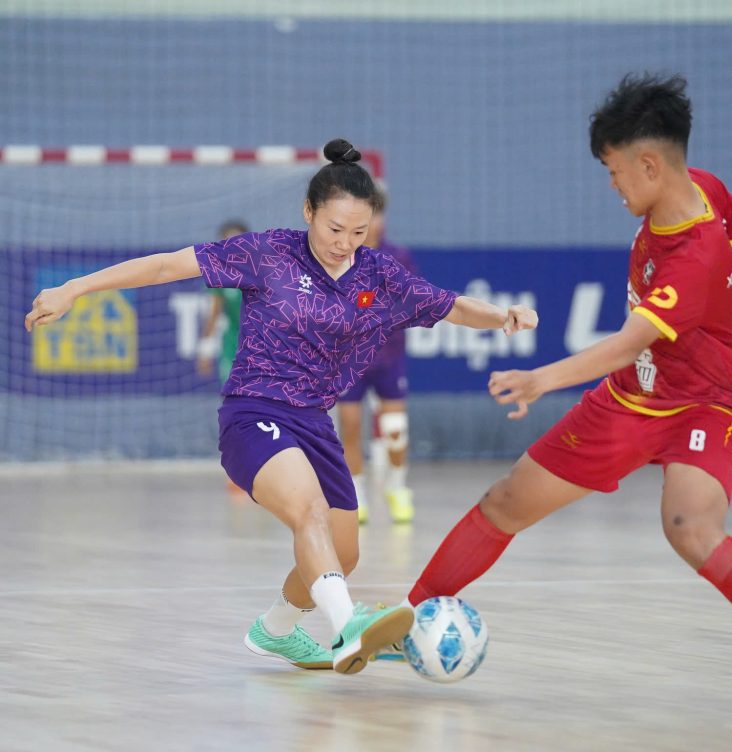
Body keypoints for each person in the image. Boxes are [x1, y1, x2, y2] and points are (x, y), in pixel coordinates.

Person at [395, 75, 732, 713]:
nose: (613, 185)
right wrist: (708, 315)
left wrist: (541, 380)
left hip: (706, 400)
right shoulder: (703, 187)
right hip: (637, 394)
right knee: (509, 499)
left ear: (649, 164)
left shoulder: (693, 258)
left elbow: (624, 343)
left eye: (615, 172)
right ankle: (404, 620)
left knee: (691, 526)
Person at [24, 138, 538, 676]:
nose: (345, 243)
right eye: (334, 229)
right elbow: (162, 268)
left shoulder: (381, 276)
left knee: (342, 552)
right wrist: (75, 289)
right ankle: (348, 625)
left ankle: (275, 629)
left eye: (358, 233)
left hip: (315, 422)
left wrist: (503, 316)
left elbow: (451, 305)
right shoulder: (266, 253)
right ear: (308, 212)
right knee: (307, 512)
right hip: (253, 413)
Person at [335, 183, 417, 525]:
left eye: (378, 214)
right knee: (351, 427)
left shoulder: (397, 256)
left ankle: (397, 487)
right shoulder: (339, 256)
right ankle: (355, 493)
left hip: (388, 358)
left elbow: (413, 300)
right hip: (348, 361)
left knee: (395, 426)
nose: (374, 222)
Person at [196, 219, 250, 385]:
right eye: (228, 243)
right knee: (233, 397)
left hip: (262, 344)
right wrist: (205, 349)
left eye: (238, 242)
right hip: (232, 345)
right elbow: (214, 313)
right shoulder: (219, 274)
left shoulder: (261, 270)